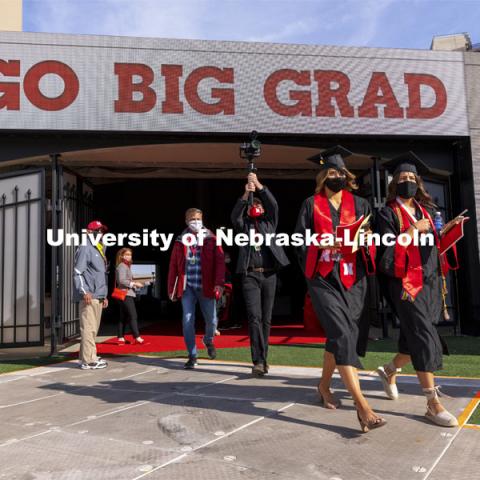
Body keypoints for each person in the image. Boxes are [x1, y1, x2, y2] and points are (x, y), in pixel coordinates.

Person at [294, 145, 384, 433]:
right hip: (322, 277)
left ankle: (323, 386)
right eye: (331, 173)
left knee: (341, 335)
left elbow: (370, 240)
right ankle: (363, 407)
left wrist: (368, 239)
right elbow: (298, 240)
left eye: (340, 173)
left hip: (353, 278)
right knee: (342, 333)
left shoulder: (360, 205)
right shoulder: (311, 204)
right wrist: (321, 243)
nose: (337, 177)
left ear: (347, 176)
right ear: (322, 176)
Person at [375, 152, 463, 427]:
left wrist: (448, 230)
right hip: (404, 283)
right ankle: (432, 402)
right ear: (394, 183)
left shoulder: (428, 210)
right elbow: (384, 255)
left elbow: (434, 245)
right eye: (403, 178)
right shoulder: (386, 213)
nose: (408, 182)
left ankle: (390, 370)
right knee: (424, 334)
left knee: (415, 336)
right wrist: (412, 230)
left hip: (430, 281)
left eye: (412, 178)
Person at [231, 173, 290, 376]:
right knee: (254, 317)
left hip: (270, 275)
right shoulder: (244, 226)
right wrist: (246, 192)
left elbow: (273, 205)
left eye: (259, 206)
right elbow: (235, 216)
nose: (256, 208)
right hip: (250, 275)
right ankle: (258, 360)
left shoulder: (269, 224)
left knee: (266, 319)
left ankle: (264, 358)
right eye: (252, 206)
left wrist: (258, 185)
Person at [168, 208, 225, 369]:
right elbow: (173, 265)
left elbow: (220, 261)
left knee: (212, 321)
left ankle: (208, 340)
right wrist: (171, 288)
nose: (196, 221)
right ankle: (192, 355)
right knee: (187, 321)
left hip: (206, 286)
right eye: (192, 219)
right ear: (186, 221)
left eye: (198, 218)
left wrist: (219, 283)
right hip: (188, 288)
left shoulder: (212, 238)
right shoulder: (180, 240)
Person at [73, 220, 109, 370]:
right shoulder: (85, 248)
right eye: (97, 231)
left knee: (92, 328)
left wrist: (103, 295)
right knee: (89, 328)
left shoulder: (99, 248)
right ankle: (89, 360)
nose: (100, 234)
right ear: (88, 232)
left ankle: (85, 357)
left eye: (101, 231)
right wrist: (84, 291)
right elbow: (78, 272)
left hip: (97, 295)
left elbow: (100, 275)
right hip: (89, 295)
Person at [115, 248, 145, 345]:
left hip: (124, 293)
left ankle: (120, 338)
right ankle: (137, 337)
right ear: (121, 256)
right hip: (125, 294)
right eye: (127, 254)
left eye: (130, 254)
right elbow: (121, 280)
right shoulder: (122, 266)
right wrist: (134, 284)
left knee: (122, 317)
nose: (129, 256)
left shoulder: (125, 266)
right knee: (133, 315)